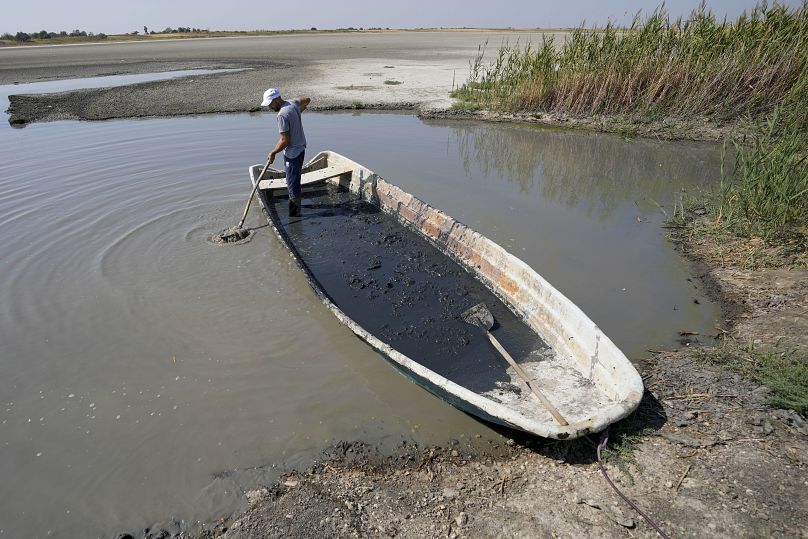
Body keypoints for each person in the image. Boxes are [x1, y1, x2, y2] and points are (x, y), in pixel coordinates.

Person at [262, 88, 311, 216]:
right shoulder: (292, 103)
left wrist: (272, 152)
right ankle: (295, 210)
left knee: (292, 186)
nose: (270, 107)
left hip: (292, 154)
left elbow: (285, 141)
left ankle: (295, 217)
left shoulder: (282, 115)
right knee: (295, 180)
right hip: (301, 148)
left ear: (277, 99)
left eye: (270, 104)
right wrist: (297, 113)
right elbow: (307, 100)